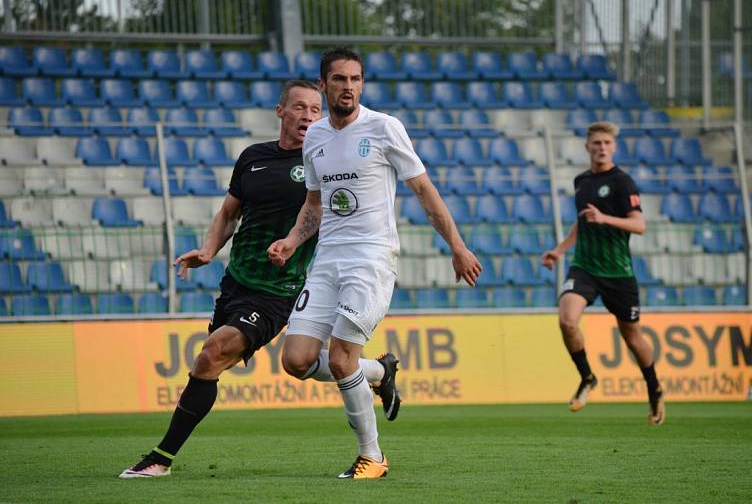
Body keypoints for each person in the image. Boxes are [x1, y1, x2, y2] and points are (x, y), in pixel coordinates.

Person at [119, 80, 400, 478]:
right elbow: (229, 213)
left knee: (210, 354)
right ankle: (376, 371)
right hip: (237, 281)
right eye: (299, 107)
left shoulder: (324, 157)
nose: (308, 115)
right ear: (280, 111)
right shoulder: (253, 158)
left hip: (279, 288)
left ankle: (160, 459)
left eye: (315, 109)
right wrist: (208, 249)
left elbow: (322, 211)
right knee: (285, 364)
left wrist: (298, 243)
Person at [268, 47, 482, 480]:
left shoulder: (384, 128)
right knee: (296, 359)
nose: (349, 87)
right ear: (324, 84)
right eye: (340, 79)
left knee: (343, 359)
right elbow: (314, 204)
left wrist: (457, 246)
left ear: (362, 84)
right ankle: (381, 373)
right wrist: (292, 240)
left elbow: (424, 191)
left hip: (370, 258)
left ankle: (373, 457)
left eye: (356, 79)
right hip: (327, 259)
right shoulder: (315, 138)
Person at [541, 121, 665, 426]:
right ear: (587, 147)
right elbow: (583, 222)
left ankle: (654, 387)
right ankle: (587, 378)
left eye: (607, 143)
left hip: (618, 272)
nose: (601, 148)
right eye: (596, 143)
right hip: (585, 266)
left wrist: (605, 218)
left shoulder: (623, 183)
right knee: (567, 320)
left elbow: (639, 225)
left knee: (633, 338)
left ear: (614, 147)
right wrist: (560, 249)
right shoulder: (581, 181)